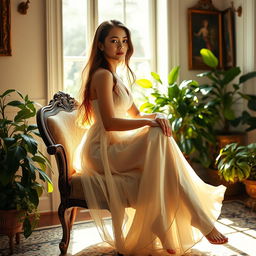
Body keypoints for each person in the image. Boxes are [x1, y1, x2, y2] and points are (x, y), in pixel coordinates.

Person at [74, 20, 228, 256]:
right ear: (101, 46)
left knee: (159, 143)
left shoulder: (118, 76)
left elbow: (137, 114)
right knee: (156, 134)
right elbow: (110, 123)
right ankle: (199, 218)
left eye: (124, 41)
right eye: (114, 41)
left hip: (117, 145)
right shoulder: (102, 75)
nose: (121, 46)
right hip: (101, 150)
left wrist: (158, 115)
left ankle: (164, 221)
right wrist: (150, 122)